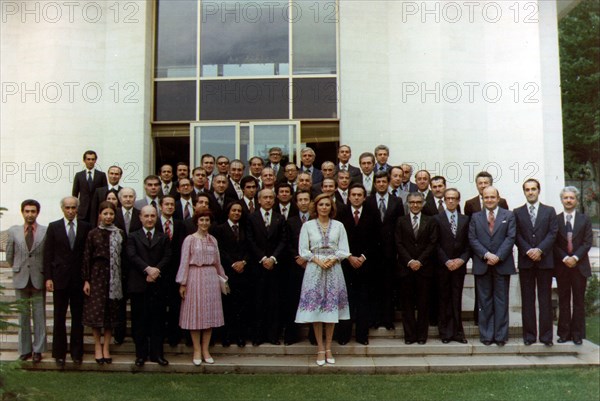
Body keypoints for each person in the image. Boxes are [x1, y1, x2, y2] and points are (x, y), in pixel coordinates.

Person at [295, 193, 351, 366]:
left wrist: (333, 259)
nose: (324, 207)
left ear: (331, 207)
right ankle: (320, 348)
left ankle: (328, 348)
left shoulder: (339, 225)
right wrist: (318, 261)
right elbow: (303, 250)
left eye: (327, 205)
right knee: (317, 310)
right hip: (314, 269)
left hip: (334, 269)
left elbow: (344, 249)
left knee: (331, 310)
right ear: (316, 207)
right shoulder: (308, 226)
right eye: (321, 205)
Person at [44, 196, 92, 366]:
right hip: (60, 279)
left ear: (77, 209)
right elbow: (48, 254)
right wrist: (49, 277)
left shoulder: (86, 227)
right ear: (62, 209)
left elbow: (88, 256)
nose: (71, 210)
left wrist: (87, 280)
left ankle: (77, 353)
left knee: (78, 318)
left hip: (79, 280)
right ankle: (59, 353)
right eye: (67, 207)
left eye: (73, 207)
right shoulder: (54, 227)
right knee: (59, 316)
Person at [176, 211, 228, 365]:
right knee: (195, 315)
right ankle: (197, 350)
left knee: (209, 315)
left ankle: (206, 350)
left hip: (210, 277)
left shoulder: (213, 240)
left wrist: (223, 279)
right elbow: (184, 261)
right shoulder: (189, 240)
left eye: (207, 220)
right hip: (194, 276)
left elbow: (218, 261)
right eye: (202, 220)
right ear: (196, 222)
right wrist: (182, 283)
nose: (204, 223)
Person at [468, 186, 516, 346]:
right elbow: (472, 239)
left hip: (502, 264)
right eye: (486, 197)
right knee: (484, 301)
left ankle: (501, 336)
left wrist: (498, 256)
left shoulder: (508, 215)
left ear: (498, 198)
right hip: (483, 264)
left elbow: (510, 237)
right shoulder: (475, 217)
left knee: (501, 301)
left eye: (492, 197)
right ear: (482, 199)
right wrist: (487, 255)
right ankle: (487, 335)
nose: (489, 200)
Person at [514, 179, 558, 346]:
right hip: (526, 262)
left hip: (544, 262)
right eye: (527, 189)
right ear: (524, 192)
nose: (530, 192)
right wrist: (528, 251)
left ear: (538, 191)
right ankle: (529, 336)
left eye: (533, 189)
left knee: (545, 300)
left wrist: (539, 250)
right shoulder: (517, 212)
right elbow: (516, 235)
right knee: (527, 300)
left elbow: (553, 233)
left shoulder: (549, 211)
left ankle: (546, 337)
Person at [127, 205, 172, 367]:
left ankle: (157, 354)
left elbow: (168, 256)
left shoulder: (163, 237)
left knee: (158, 321)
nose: (149, 219)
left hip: (158, 285)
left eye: (152, 216)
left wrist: (156, 271)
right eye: (146, 216)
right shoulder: (133, 236)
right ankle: (140, 355)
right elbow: (132, 255)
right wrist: (147, 270)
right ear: (140, 218)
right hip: (139, 284)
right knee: (140, 322)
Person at [82, 201, 125, 364]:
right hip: (97, 276)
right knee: (97, 313)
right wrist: (86, 280)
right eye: (105, 213)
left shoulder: (119, 233)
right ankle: (97, 347)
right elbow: (86, 257)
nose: (108, 217)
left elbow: (123, 257)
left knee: (110, 315)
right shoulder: (93, 233)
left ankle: (106, 347)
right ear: (100, 215)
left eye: (111, 214)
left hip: (114, 277)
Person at [338, 184, 379, 345]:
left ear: (364, 197)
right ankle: (344, 336)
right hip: (346, 264)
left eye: (359, 195)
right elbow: (337, 239)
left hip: (365, 265)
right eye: (353, 194)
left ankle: (362, 336)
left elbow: (377, 239)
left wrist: (362, 257)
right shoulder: (341, 213)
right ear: (348, 197)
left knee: (363, 302)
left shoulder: (372, 214)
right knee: (346, 301)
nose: (356, 197)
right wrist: (349, 257)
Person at [6, 199, 47, 363]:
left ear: (38, 213)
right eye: (27, 211)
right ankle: (24, 350)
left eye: (33, 211)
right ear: (22, 212)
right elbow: (9, 255)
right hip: (20, 276)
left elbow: (48, 254)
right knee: (23, 315)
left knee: (39, 315)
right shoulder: (14, 231)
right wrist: (17, 267)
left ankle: (38, 350)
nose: (30, 214)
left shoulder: (45, 231)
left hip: (38, 276)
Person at [395, 192, 438, 344]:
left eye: (418, 202)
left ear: (423, 203)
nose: (415, 205)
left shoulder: (430, 221)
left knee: (423, 304)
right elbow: (398, 243)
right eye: (412, 202)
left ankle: (421, 336)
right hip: (406, 269)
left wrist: (419, 261)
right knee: (407, 305)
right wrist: (410, 261)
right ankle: (409, 336)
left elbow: (432, 243)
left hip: (424, 269)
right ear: (407, 203)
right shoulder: (401, 221)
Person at [246, 188, 288, 346]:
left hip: (275, 267)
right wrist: (263, 258)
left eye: (271, 197)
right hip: (258, 267)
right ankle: (258, 336)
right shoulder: (251, 217)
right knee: (258, 302)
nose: (268, 200)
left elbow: (283, 240)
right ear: (259, 200)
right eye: (265, 197)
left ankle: (273, 336)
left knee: (274, 303)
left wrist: (273, 258)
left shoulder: (280, 218)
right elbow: (250, 240)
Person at [554, 186, 593, 345]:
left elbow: (587, 242)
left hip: (579, 266)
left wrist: (575, 257)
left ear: (576, 200)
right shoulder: (555, 220)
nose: (568, 200)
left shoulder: (584, 219)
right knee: (563, 300)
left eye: (571, 198)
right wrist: (565, 258)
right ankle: (564, 333)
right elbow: (554, 243)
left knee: (578, 301)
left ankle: (577, 334)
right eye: (566, 198)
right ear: (562, 200)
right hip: (562, 267)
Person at [212, 201, 252, 348]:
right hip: (227, 272)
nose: (236, 213)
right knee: (227, 306)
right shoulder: (219, 229)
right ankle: (227, 336)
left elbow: (250, 247)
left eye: (239, 211)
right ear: (228, 212)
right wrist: (232, 263)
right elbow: (219, 250)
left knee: (241, 306)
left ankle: (240, 336)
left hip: (243, 272)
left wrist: (243, 262)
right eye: (234, 210)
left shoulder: (245, 228)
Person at [435, 188, 471, 344]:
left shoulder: (465, 219)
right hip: (443, 266)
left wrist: (461, 260)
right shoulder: (437, 218)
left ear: (458, 201)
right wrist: (446, 261)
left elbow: (469, 244)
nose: (450, 201)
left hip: (459, 265)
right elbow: (435, 243)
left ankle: (458, 332)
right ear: (444, 200)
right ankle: (445, 333)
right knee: (444, 298)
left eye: (454, 198)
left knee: (456, 299)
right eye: (448, 198)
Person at [72, 150, 107, 222]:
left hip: (97, 210)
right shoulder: (79, 175)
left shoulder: (101, 175)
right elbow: (74, 195)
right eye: (88, 159)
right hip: (82, 211)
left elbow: (105, 193)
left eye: (93, 159)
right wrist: (75, 210)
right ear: (84, 160)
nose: (90, 161)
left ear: (95, 160)